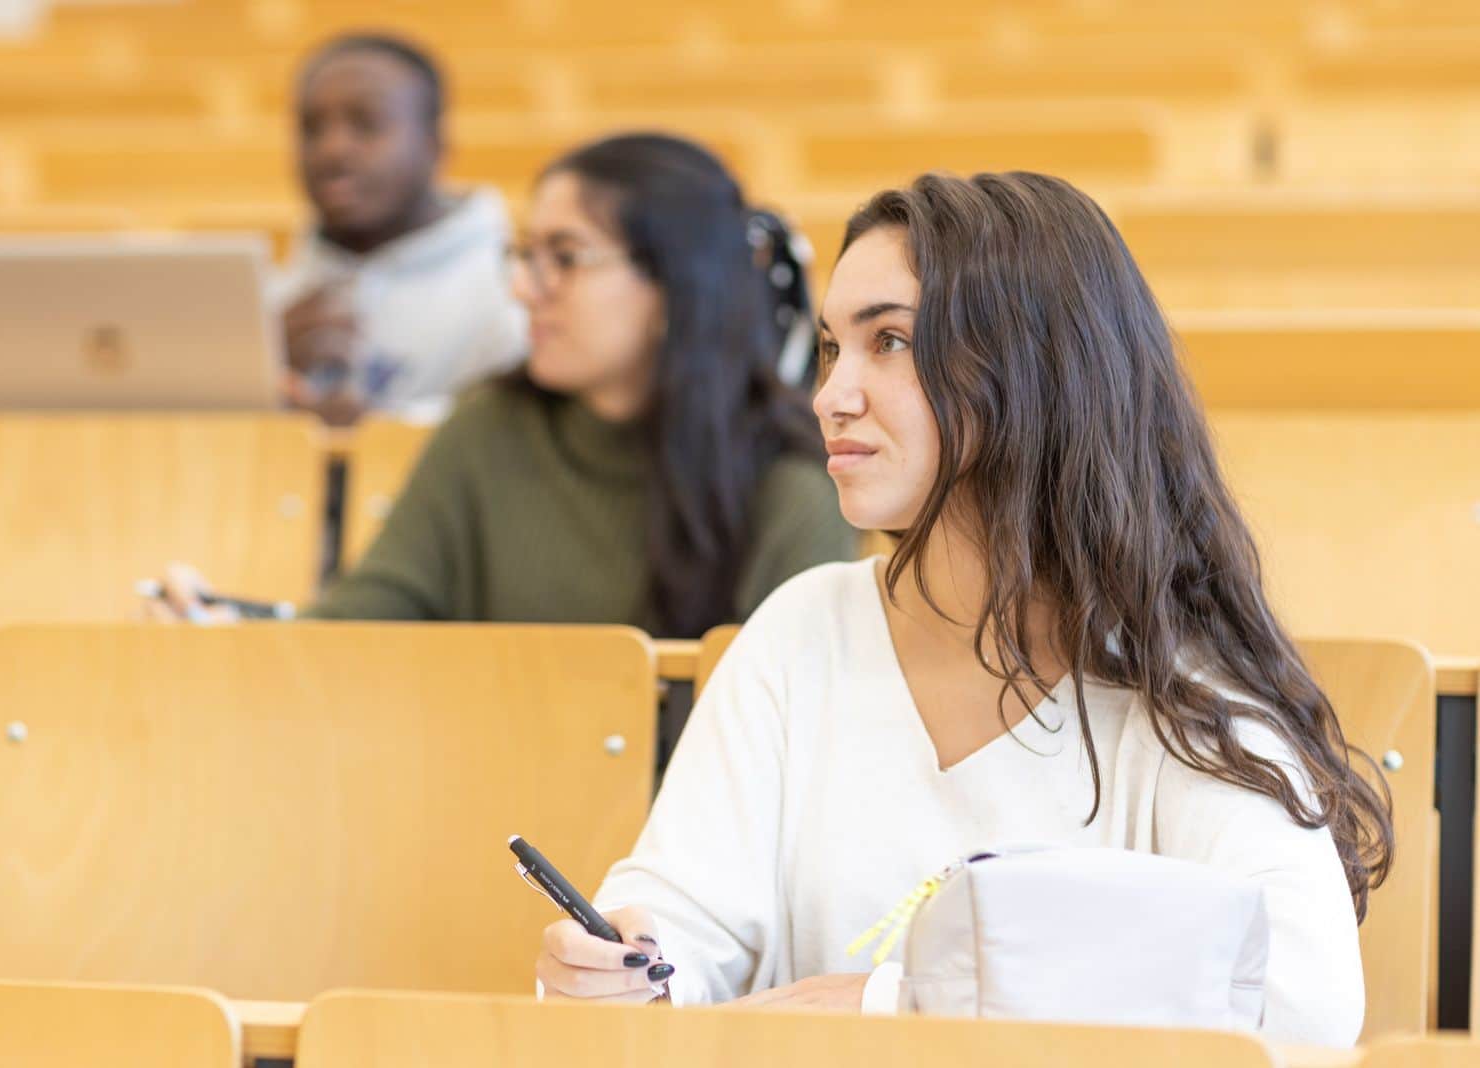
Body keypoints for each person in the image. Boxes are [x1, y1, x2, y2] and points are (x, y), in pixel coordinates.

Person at [532, 171, 1391, 1047]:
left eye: (892, 341)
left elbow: (1304, 997)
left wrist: (896, 1004)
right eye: (833, 347)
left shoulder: (1180, 682)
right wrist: (626, 965)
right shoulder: (803, 627)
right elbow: (682, 920)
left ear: (1035, 366)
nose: (832, 395)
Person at [160, 133, 857, 639]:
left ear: (674, 288)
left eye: (565, 258)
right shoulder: (487, 427)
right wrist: (228, 629)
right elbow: (365, 622)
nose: (524, 288)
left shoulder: (791, 476)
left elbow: (790, 735)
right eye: (525, 256)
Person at [278, 33, 525, 425]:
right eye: (312, 128)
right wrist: (261, 374)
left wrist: (371, 432)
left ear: (434, 143)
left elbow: (514, 441)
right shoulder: (280, 296)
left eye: (366, 123)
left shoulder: (512, 293)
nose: (333, 148)